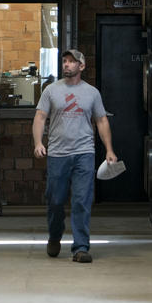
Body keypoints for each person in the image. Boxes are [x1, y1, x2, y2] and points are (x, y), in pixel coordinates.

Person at [32, 49, 117, 263]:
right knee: (55, 201)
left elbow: (101, 121)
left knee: (81, 200)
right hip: (58, 154)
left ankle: (80, 248)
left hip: (84, 153)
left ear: (81, 66)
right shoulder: (51, 90)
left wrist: (109, 149)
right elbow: (40, 117)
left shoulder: (92, 93)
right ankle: (54, 236)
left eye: (72, 61)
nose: (67, 65)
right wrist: (38, 142)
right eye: (65, 61)